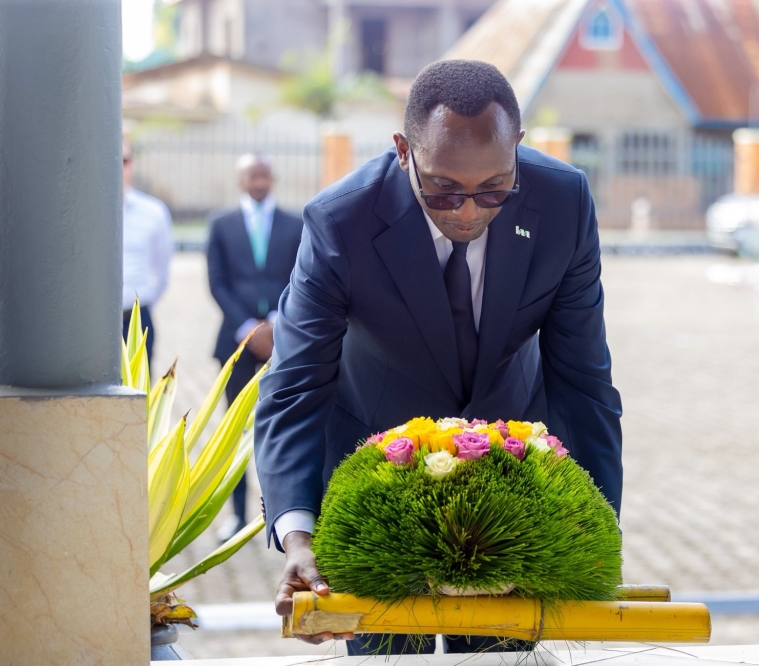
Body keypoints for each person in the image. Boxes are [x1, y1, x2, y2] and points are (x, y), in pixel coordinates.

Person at [255, 60, 622, 654]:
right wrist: (300, 537)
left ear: (519, 150)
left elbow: (584, 381)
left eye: (494, 188)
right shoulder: (339, 221)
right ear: (403, 151)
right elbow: (295, 386)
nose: (469, 211)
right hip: (379, 482)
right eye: (444, 189)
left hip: (508, 477)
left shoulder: (564, 202)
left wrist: (601, 531)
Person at [207, 154, 303, 541]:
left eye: (263, 174)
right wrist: (249, 329)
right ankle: (236, 515)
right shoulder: (220, 224)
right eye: (251, 175)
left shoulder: (295, 224)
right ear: (240, 179)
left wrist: (277, 325)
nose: (258, 181)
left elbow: (302, 276)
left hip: (285, 341)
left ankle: (284, 513)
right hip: (236, 343)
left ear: (272, 178)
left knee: (284, 428)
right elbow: (217, 283)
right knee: (234, 432)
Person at [122, 138, 174, 361]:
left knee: (139, 392)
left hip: (136, 317)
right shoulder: (80, 210)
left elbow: (162, 268)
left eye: (123, 160)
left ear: (132, 164)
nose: (117, 166)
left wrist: (144, 299)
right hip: (90, 323)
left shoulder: (153, 212)